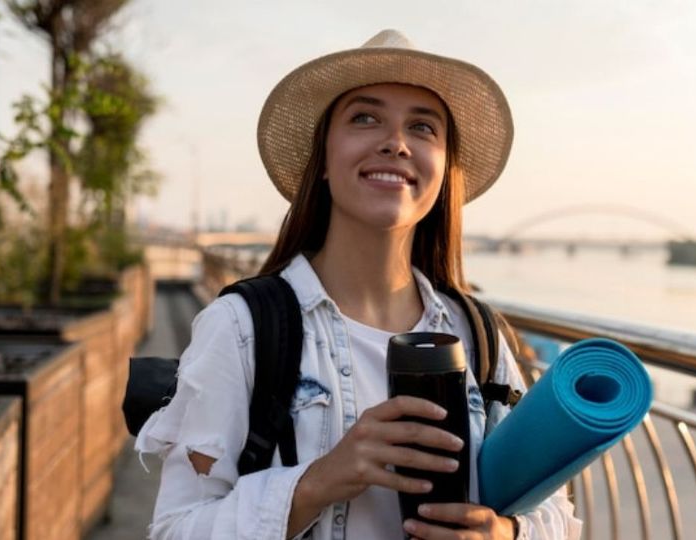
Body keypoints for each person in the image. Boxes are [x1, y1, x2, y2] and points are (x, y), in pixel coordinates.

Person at [136, 29, 583, 540]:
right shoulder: (241, 328)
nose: (395, 143)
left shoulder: (477, 333)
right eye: (364, 118)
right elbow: (175, 528)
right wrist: (321, 480)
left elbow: (554, 513)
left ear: (443, 174)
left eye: (422, 127)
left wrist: (503, 533)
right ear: (322, 160)